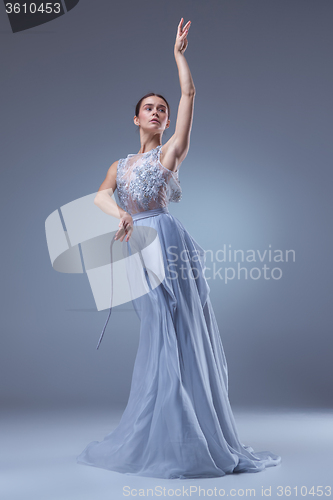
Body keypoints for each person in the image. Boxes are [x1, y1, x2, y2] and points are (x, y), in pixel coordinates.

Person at [76, 18, 281, 479]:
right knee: (157, 338)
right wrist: (121, 216)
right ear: (135, 117)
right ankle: (162, 433)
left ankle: (193, 436)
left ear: (167, 121)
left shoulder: (168, 154)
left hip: (169, 244)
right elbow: (99, 196)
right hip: (139, 245)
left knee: (182, 333)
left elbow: (189, 96)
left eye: (161, 109)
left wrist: (178, 55)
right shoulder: (120, 164)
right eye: (148, 107)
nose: (156, 112)